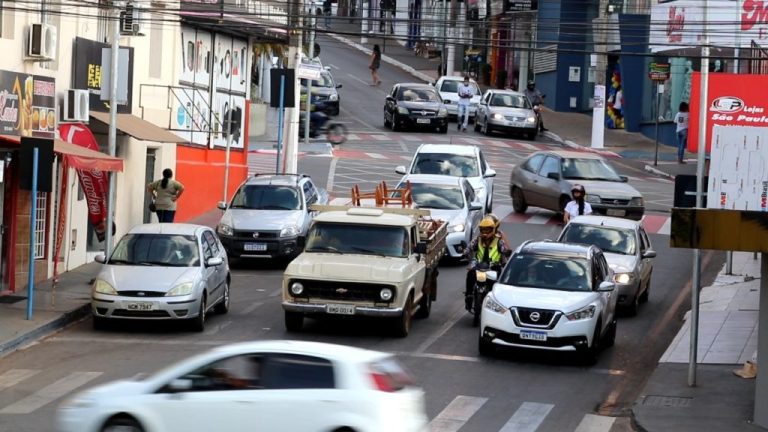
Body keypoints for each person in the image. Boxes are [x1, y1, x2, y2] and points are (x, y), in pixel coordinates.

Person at [464, 216, 510, 310]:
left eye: (487, 230)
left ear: (493, 229)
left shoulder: (499, 240)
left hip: (493, 267)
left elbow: (504, 250)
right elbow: (469, 248)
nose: (485, 233)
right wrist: (465, 252)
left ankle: (497, 303)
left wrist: (506, 252)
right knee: (470, 275)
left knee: (499, 284)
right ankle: (469, 297)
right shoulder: (477, 239)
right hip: (479, 265)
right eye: (483, 230)